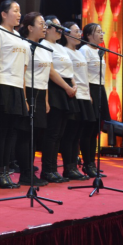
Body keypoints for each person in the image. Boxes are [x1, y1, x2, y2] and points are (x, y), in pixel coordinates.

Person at [0, 0, 25, 189]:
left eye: (20, 11)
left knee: (11, 133)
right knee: (1, 132)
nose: (19, 14)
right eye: (15, 11)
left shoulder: (18, 35)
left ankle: (6, 171)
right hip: (4, 84)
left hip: (17, 86)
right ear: (3, 14)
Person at [40, 16, 78, 184]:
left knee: (60, 134)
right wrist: (67, 87)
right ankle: (48, 170)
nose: (60, 30)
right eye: (57, 27)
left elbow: (69, 69)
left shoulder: (61, 47)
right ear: (47, 29)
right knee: (52, 133)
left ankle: (55, 169)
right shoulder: (44, 45)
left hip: (66, 89)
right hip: (56, 89)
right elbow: (51, 71)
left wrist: (73, 84)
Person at [18, 12, 49, 187]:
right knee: (26, 136)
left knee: (35, 135)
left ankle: (30, 171)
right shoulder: (24, 46)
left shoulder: (43, 47)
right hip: (29, 91)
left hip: (41, 93)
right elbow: (21, 74)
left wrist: (46, 99)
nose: (45, 27)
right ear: (30, 28)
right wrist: (24, 98)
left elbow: (45, 76)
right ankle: (25, 174)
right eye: (41, 24)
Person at [61, 22, 94, 181]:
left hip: (84, 96)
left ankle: (75, 166)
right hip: (75, 95)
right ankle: (69, 167)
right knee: (70, 134)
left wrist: (89, 94)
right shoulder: (65, 51)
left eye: (79, 31)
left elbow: (84, 76)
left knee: (78, 135)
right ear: (66, 34)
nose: (79, 34)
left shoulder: (79, 52)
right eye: (76, 31)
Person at [79, 23, 110, 178]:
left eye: (101, 31)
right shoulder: (84, 50)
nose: (101, 34)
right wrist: (87, 92)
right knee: (88, 130)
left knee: (96, 130)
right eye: (98, 32)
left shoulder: (99, 51)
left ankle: (92, 162)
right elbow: (82, 73)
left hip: (100, 89)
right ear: (88, 35)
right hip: (90, 88)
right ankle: (87, 163)